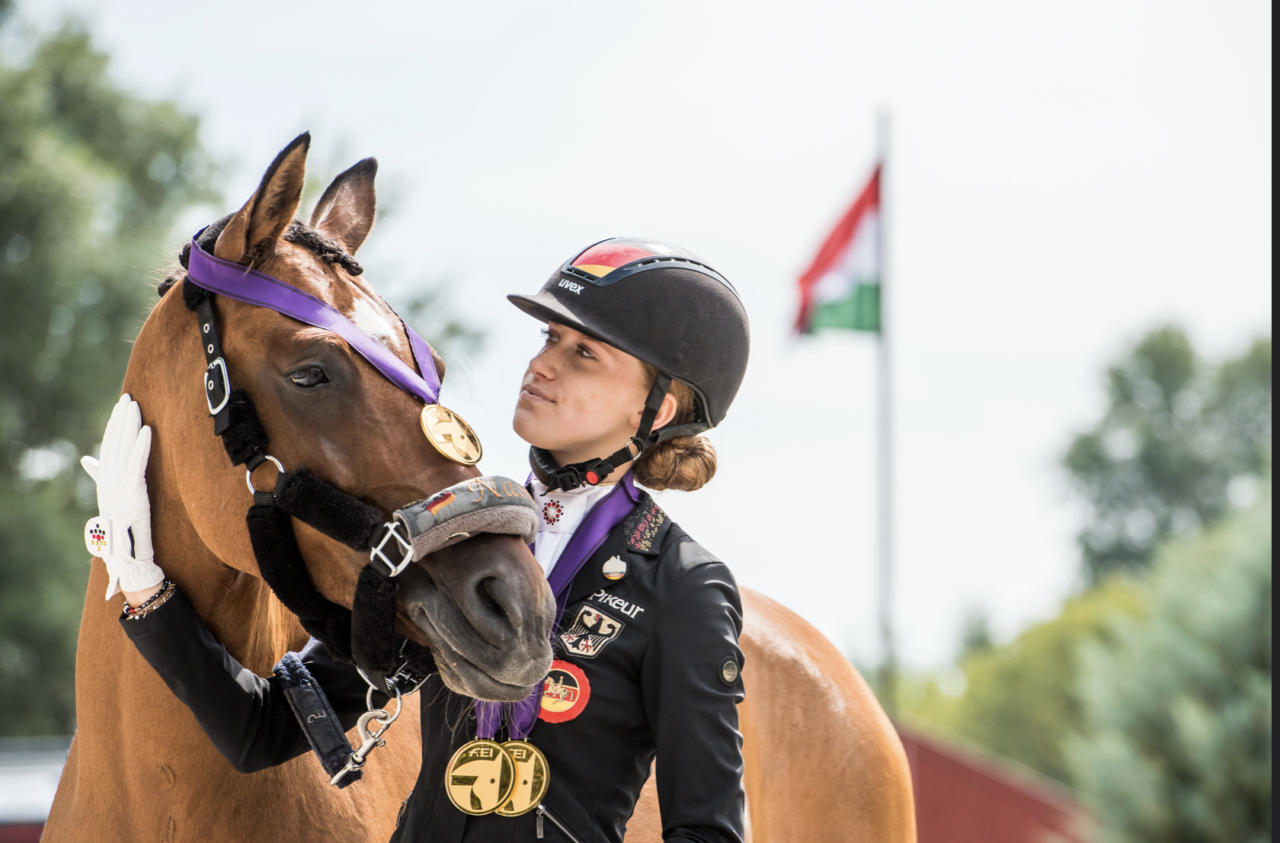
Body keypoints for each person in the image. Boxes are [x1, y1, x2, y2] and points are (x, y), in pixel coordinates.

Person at [83, 236, 752, 843]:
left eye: (583, 353)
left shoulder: (682, 586)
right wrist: (144, 583)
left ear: (656, 409)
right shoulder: (446, 546)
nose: (542, 364)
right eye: (549, 337)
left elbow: (710, 833)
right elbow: (260, 731)